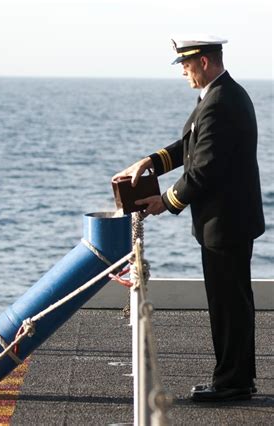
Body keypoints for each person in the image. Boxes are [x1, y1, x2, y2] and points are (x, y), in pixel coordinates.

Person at [113, 35, 265, 402]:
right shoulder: (219, 96)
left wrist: (166, 201)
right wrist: (152, 161)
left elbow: (205, 169)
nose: (182, 71)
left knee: (229, 307)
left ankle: (232, 384)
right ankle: (235, 379)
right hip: (227, 222)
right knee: (231, 304)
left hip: (225, 224)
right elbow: (192, 146)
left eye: (186, 64)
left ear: (206, 62)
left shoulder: (220, 102)